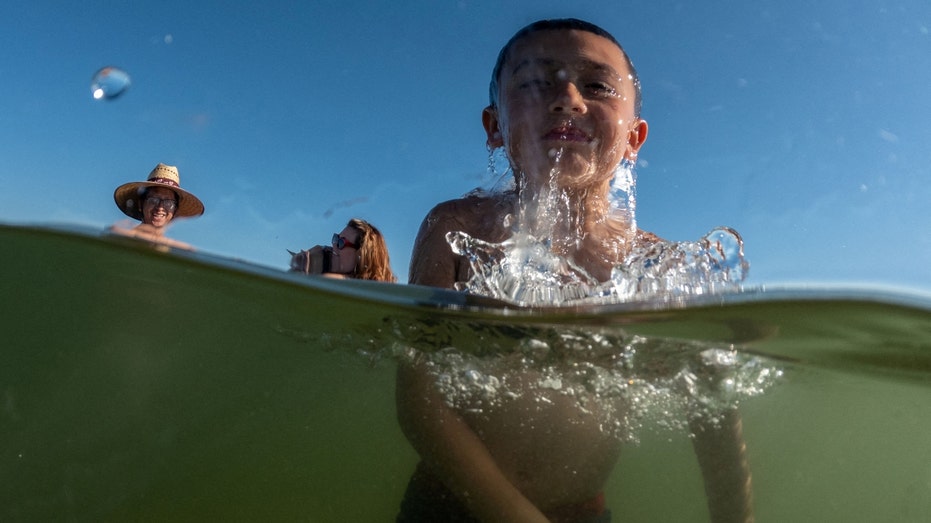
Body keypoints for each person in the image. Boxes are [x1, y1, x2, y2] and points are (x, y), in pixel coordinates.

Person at [396, 19, 753, 523]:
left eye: (597, 86)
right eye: (538, 82)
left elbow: (713, 414)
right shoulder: (455, 226)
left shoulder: (659, 265)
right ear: (494, 126)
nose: (567, 99)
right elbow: (420, 402)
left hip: (580, 511)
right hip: (449, 500)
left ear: (634, 137)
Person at [110, 163, 205, 249]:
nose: (160, 207)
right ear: (141, 204)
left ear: (175, 211)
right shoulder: (121, 236)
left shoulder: (174, 251)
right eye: (153, 200)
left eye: (169, 202)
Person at [288, 218, 397, 282]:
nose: (333, 246)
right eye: (336, 238)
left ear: (361, 257)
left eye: (341, 243)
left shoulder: (333, 281)